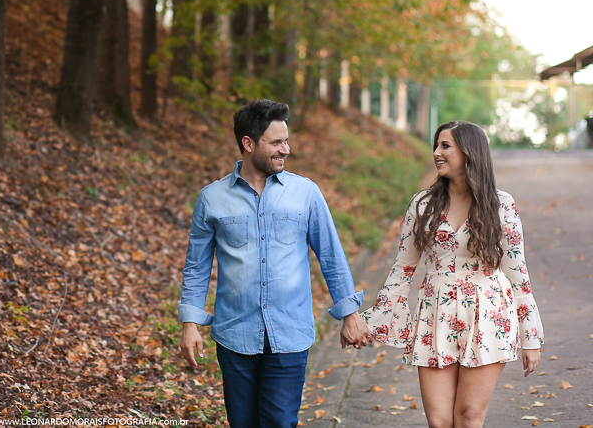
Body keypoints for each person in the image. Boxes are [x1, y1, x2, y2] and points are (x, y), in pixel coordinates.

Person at [177, 99, 371, 428]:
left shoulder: (306, 193)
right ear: (248, 144)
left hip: (289, 333)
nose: (286, 149)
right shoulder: (212, 198)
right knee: (243, 423)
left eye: (286, 141)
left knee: (280, 422)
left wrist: (349, 313)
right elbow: (196, 266)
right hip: (234, 335)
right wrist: (190, 322)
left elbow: (331, 255)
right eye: (276, 143)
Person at [362, 121, 544, 428]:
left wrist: (531, 336)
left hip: (488, 315)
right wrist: (373, 319)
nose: (436, 153)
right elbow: (403, 267)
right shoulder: (423, 205)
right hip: (435, 315)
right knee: (439, 421)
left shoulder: (501, 205)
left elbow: (517, 272)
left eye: (445, 146)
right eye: (436, 145)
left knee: (469, 418)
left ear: (469, 153)